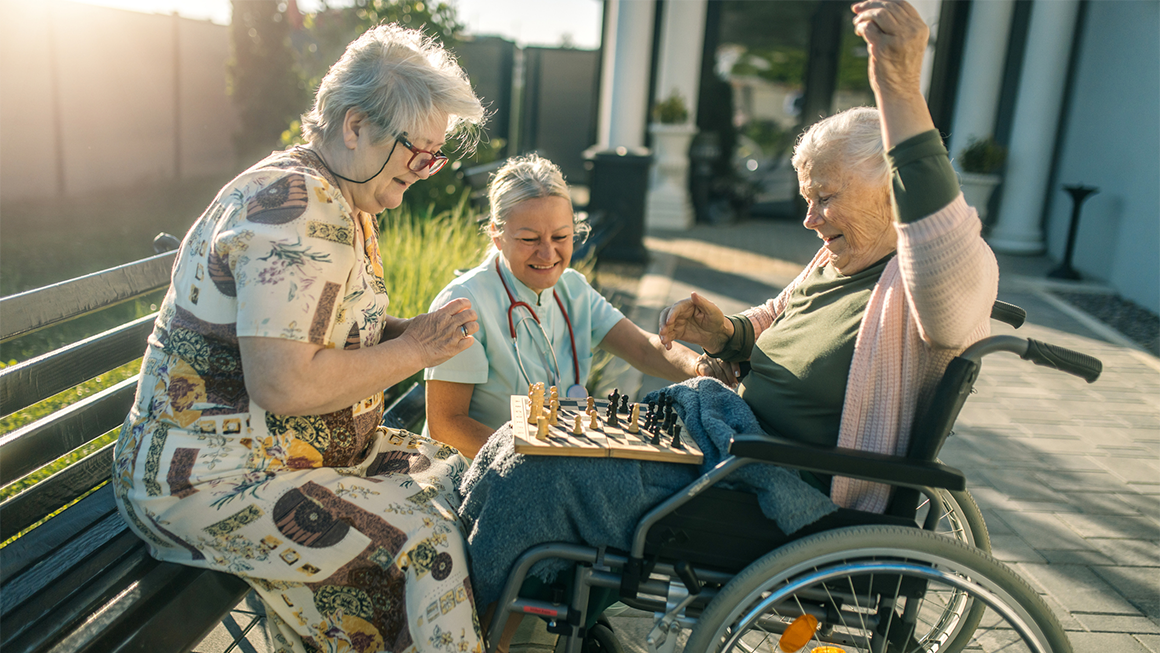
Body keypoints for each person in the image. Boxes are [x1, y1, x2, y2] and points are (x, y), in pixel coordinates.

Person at [112, 25, 488, 653]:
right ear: (354, 127)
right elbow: (285, 382)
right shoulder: (293, 208)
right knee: (425, 543)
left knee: (451, 473)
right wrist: (416, 350)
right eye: (417, 152)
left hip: (291, 458)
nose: (426, 170)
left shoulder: (342, 199)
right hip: (207, 480)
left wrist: (420, 335)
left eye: (435, 155)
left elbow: (336, 335)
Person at [659, 0, 999, 512]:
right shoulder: (834, 260)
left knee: (563, 487)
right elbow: (780, 317)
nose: (809, 219)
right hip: (733, 447)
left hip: (775, 484)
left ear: (892, 190)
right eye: (807, 200)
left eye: (826, 196)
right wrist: (727, 335)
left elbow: (941, 240)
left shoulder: (923, 290)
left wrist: (900, 86)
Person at [423, 153, 734, 458]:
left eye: (561, 236)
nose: (548, 254)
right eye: (530, 239)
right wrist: (525, 458)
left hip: (551, 462)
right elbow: (446, 424)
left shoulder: (573, 288)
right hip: (481, 471)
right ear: (497, 235)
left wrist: (702, 369)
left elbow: (642, 348)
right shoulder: (463, 304)